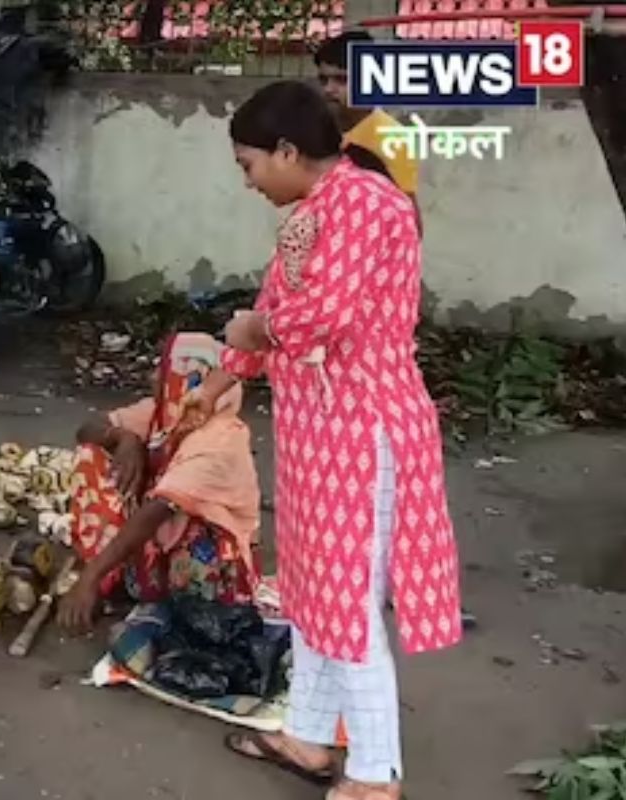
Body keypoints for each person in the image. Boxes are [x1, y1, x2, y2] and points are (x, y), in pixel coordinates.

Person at [185, 82, 462, 800]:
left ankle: (375, 775)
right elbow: (278, 300)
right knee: (312, 591)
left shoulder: (369, 203)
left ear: (285, 151)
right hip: (318, 434)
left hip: (364, 429)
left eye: (248, 165)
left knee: (349, 599)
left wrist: (255, 334)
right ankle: (306, 738)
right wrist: (221, 379)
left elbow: (318, 316)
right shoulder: (316, 210)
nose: (247, 182)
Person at [57, 332, 262, 630]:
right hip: (165, 545)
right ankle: (121, 579)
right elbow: (87, 429)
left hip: (213, 572)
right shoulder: (167, 417)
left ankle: (121, 583)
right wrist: (124, 438)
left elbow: (157, 509)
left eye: (164, 369)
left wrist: (90, 577)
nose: (155, 376)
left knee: (177, 520)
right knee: (94, 457)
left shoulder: (221, 439)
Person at [314, 30, 422, 232]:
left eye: (341, 80)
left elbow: (408, 220)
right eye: (323, 80)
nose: (329, 89)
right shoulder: (315, 128)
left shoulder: (392, 137)